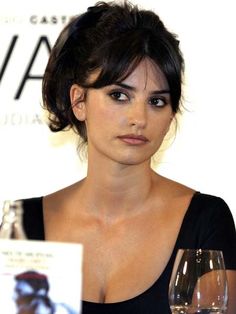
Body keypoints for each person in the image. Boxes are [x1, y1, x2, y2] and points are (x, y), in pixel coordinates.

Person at [21, 1, 236, 313]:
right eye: (119, 96)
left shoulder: (205, 220)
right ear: (79, 101)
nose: (139, 117)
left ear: (171, 114)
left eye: (157, 101)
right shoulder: (25, 224)